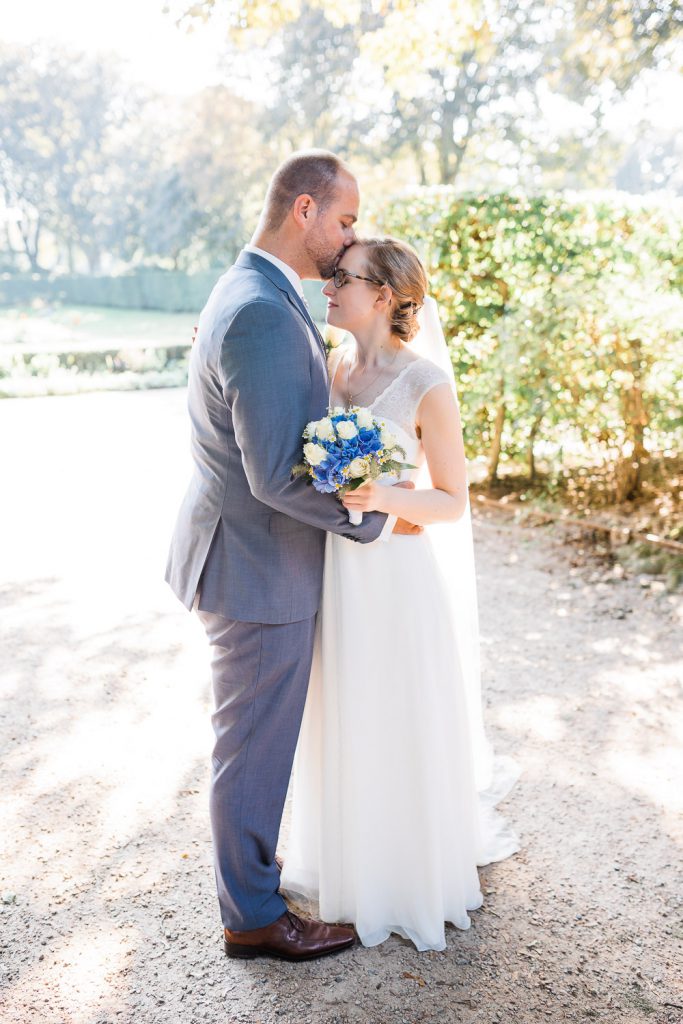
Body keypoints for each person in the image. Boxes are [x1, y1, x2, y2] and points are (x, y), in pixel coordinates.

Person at [165, 151, 420, 962]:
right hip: (256, 565)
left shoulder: (252, 287)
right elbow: (276, 475)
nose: (348, 238)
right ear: (303, 209)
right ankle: (252, 916)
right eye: (344, 220)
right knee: (251, 746)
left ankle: (255, 888)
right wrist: (370, 520)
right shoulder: (265, 311)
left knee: (253, 739)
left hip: (245, 553)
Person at [280, 236, 519, 952]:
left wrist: (384, 494)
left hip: (396, 578)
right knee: (345, 707)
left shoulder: (425, 384)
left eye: (341, 280)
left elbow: (452, 500)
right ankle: (350, 860)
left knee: (395, 708)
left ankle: (404, 871)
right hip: (336, 572)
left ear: (383, 295)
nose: (327, 290)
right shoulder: (328, 368)